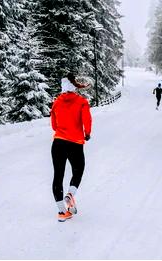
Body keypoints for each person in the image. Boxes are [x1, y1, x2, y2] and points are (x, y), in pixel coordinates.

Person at [50, 73, 92, 222]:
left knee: (58, 175)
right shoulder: (81, 101)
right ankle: (70, 194)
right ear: (74, 87)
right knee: (78, 170)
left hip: (58, 143)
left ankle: (62, 212)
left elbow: (54, 126)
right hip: (75, 143)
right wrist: (87, 133)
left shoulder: (56, 102)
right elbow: (86, 119)